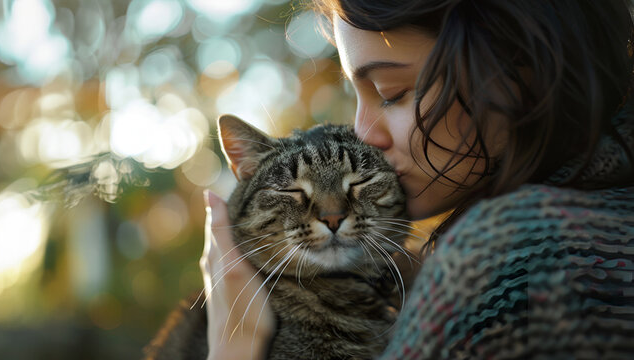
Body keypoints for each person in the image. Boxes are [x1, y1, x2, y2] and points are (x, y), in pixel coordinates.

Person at [200, 0, 634, 359]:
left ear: (522, 67)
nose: (364, 134)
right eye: (357, 97)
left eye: (392, 92)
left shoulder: (507, 252)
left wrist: (233, 350)